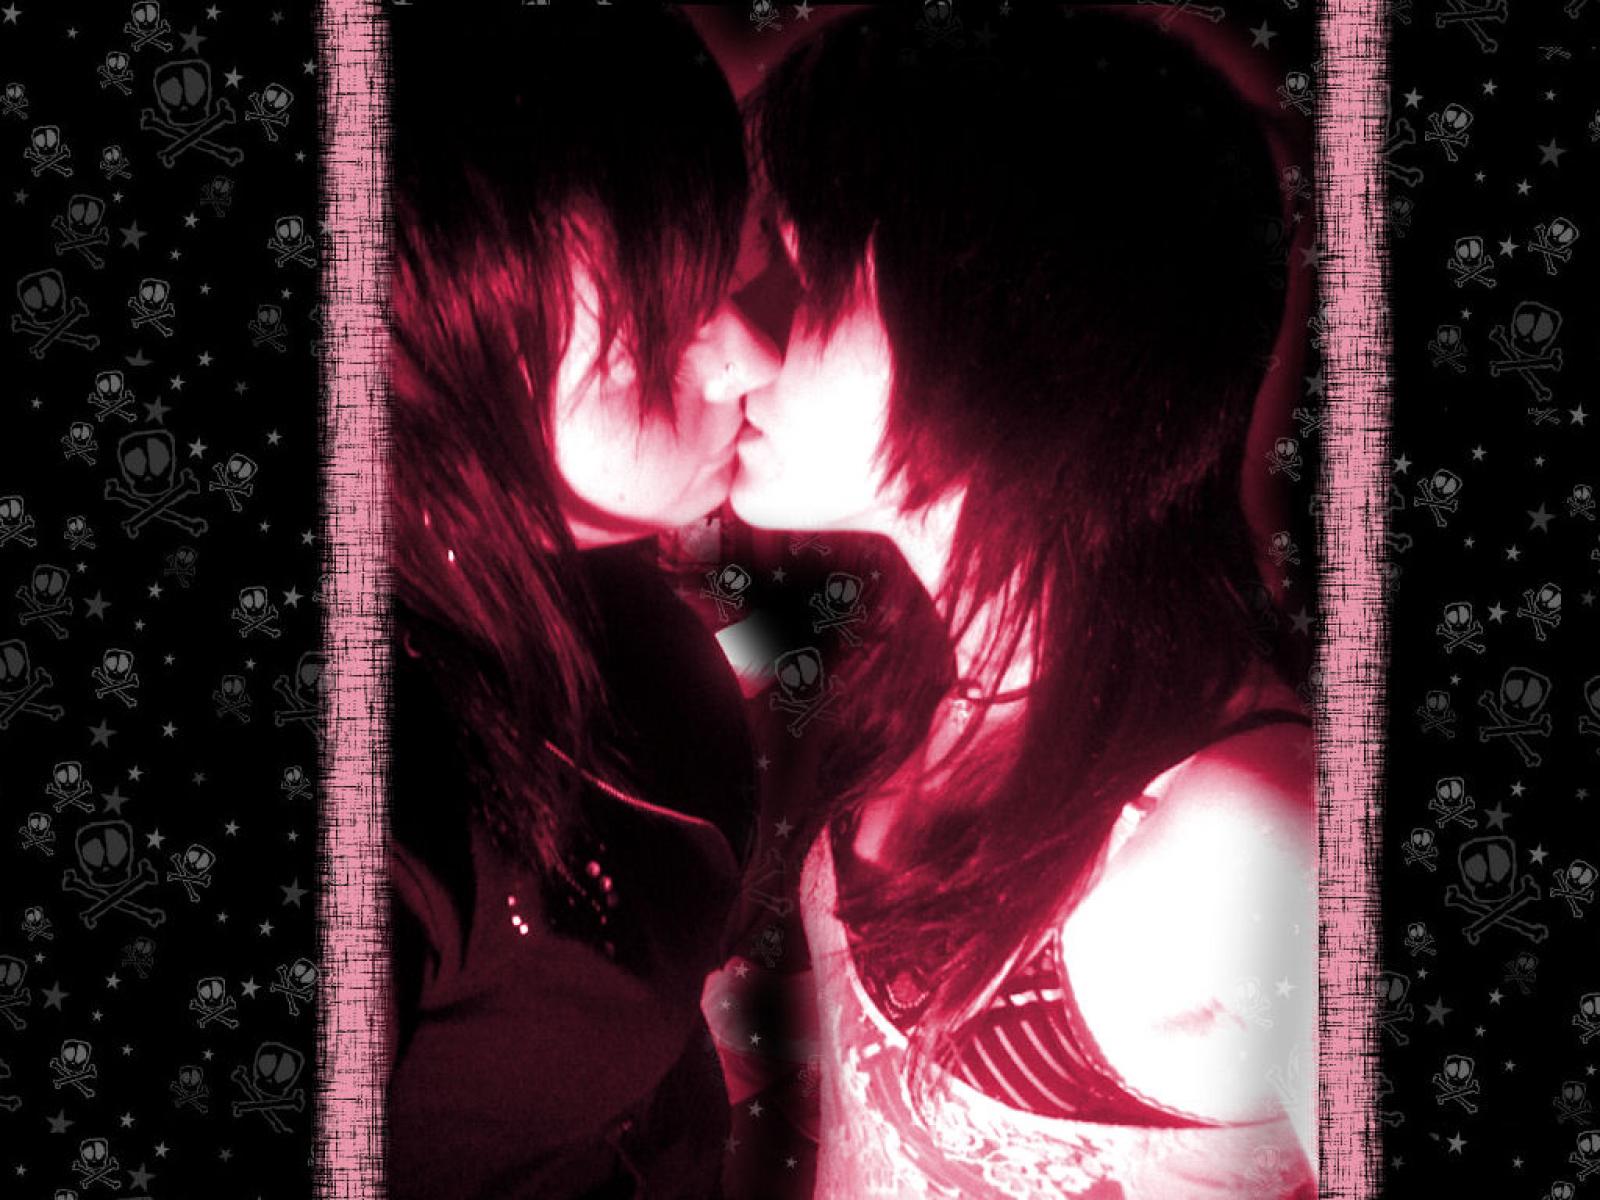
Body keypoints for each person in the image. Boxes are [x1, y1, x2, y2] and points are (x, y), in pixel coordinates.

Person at [730, 6, 1319, 1197]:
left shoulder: (1246, 832)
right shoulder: (909, 660)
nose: (744, 343)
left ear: (1002, 329)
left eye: (809, 281)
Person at [384, 7, 780, 1198]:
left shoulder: (602, 554)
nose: (751, 355)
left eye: (730, 273)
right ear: (437, 383)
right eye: (658, 336)